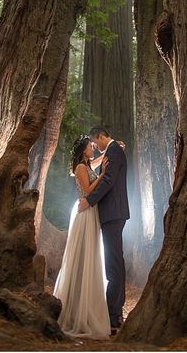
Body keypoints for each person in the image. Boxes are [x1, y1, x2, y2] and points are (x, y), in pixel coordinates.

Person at [53, 136, 111, 339]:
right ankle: (74, 308)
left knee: (90, 255)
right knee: (82, 256)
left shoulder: (87, 164)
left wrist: (111, 148)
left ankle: (83, 304)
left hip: (90, 213)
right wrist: (103, 175)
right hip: (84, 213)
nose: (92, 148)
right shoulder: (80, 167)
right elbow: (87, 190)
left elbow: (96, 161)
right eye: (90, 146)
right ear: (83, 150)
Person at [78, 126, 130, 334]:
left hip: (113, 214)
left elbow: (108, 180)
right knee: (114, 263)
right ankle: (114, 313)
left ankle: (114, 316)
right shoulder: (112, 151)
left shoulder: (113, 150)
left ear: (101, 137)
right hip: (112, 214)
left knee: (114, 264)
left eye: (95, 142)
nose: (95, 146)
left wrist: (89, 200)